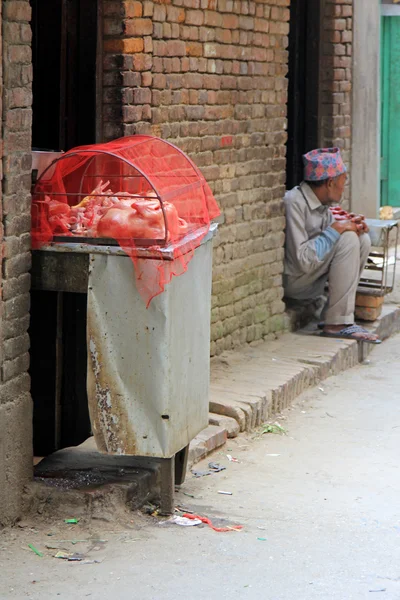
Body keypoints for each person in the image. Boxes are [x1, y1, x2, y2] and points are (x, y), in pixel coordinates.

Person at [283, 147, 380, 344]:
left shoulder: (324, 206)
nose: (344, 188)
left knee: (360, 239)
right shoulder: (294, 202)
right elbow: (302, 260)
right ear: (330, 182)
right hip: (296, 282)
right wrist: (336, 229)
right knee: (348, 238)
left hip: (313, 281)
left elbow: (370, 240)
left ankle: (336, 316)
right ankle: (336, 324)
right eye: (343, 182)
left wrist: (357, 227)